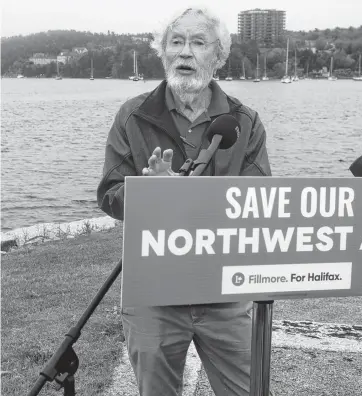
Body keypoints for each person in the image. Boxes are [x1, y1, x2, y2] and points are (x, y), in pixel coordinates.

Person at [97, 7, 272, 396]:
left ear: (219, 57)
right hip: (154, 289)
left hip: (225, 289)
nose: (185, 53)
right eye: (175, 43)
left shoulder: (245, 121)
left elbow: (259, 200)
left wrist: (187, 196)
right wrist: (148, 193)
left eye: (198, 42)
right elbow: (110, 196)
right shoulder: (133, 115)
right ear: (162, 54)